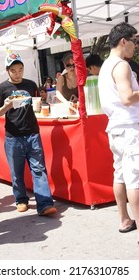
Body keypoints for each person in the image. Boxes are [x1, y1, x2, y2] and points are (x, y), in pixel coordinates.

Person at [0, 53, 57, 216]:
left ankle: (44, 203)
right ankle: (21, 199)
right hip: (13, 136)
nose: (17, 73)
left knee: (39, 168)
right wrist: (6, 106)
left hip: (33, 133)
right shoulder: (1, 89)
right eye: (13, 70)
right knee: (16, 170)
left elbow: (36, 103)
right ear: (7, 71)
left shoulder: (30, 84)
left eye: (20, 69)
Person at [98, 22, 139, 244]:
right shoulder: (122, 66)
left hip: (116, 128)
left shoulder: (106, 65)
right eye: (134, 41)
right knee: (135, 179)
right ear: (124, 41)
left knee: (121, 174)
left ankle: (124, 219)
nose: (136, 46)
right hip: (129, 127)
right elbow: (127, 97)